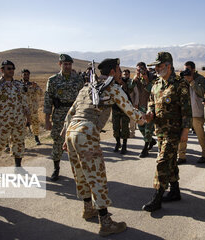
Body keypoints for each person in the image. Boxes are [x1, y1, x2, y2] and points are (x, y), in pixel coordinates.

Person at [61, 58, 145, 236]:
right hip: (86, 132)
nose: (121, 72)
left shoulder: (86, 88)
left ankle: (87, 208)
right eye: (119, 69)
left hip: (71, 131)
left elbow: (71, 112)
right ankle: (105, 223)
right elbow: (130, 111)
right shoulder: (112, 88)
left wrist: (65, 138)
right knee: (97, 177)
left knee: (81, 174)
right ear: (113, 72)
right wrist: (146, 118)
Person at [142, 52, 192, 212]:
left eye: (159, 65)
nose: (156, 68)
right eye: (155, 66)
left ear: (168, 66)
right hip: (160, 130)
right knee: (170, 161)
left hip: (174, 131)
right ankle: (175, 191)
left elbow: (186, 110)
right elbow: (151, 102)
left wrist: (185, 130)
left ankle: (157, 197)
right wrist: (150, 113)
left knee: (162, 161)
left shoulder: (179, 84)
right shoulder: (156, 84)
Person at [44, 54, 84, 181]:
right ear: (59, 64)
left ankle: (80, 171)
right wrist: (47, 120)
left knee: (77, 143)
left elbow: (83, 99)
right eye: (65, 64)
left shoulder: (78, 80)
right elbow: (48, 100)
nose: (67, 66)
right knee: (58, 142)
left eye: (69, 64)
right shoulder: (53, 80)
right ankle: (56, 168)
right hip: (59, 115)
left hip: (75, 115)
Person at [0, 60, 30, 169]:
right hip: (4, 120)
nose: (11, 71)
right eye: (8, 68)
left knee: (19, 143)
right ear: (2, 70)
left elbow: (24, 102)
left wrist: (28, 118)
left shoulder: (19, 85)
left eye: (13, 69)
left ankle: (18, 166)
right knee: (0, 142)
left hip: (19, 119)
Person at [177, 61, 205, 164]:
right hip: (185, 112)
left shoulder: (200, 78)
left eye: (188, 69)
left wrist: (192, 81)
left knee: (200, 135)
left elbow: (201, 92)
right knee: (182, 134)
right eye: (185, 69)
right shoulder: (182, 79)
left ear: (193, 69)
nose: (186, 71)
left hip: (196, 111)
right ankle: (181, 156)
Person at [129, 62, 157, 158]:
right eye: (138, 70)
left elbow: (152, 90)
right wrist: (134, 79)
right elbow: (130, 88)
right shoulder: (137, 78)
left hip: (150, 106)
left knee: (148, 128)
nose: (140, 71)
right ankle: (151, 140)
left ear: (145, 69)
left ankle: (145, 149)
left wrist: (147, 80)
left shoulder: (153, 77)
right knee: (141, 126)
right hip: (140, 106)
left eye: (141, 69)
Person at [111, 69, 133, 154]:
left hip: (125, 108)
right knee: (115, 127)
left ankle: (124, 145)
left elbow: (131, 88)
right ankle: (117, 143)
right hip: (115, 108)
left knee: (125, 127)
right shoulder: (112, 83)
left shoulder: (126, 82)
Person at [21, 69, 43, 145]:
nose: (26, 76)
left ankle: (36, 138)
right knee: (22, 125)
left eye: (27, 74)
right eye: (24, 74)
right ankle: (21, 141)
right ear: (22, 75)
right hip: (22, 109)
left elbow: (41, 93)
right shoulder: (18, 85)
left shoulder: (33, 84)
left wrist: (36, 87)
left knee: (35, 123)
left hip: (33, 109)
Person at [124, 69, 139, 138]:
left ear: (129, 74)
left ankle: (132, 133)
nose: (125, 76)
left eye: (126, 74)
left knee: (132, 119)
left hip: (131, 103)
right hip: (123, 104)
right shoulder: (121, 82)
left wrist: (136, 103)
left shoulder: (132, 82)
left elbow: (136, 93)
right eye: (124, 74)